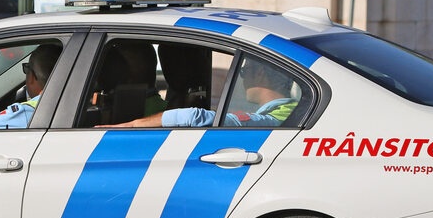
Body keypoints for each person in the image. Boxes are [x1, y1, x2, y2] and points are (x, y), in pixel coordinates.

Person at [106, 60, 296, 128]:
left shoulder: (274, 119)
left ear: (261, 74)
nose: (243, 80)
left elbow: (195, 117)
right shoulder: (292, 109)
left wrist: (129, 125)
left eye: (244, 72)